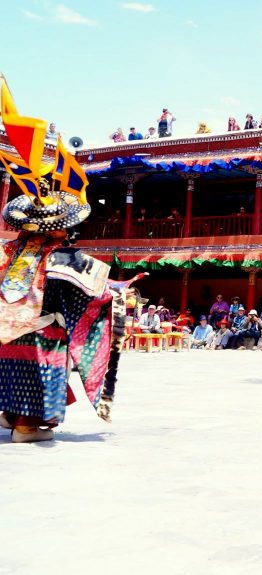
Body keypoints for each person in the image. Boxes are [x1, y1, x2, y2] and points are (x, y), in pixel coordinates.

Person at [0, 104, 139, 442]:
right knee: (37, 374)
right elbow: (95, 291)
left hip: (4, 331)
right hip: (42, 333)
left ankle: (8, 416)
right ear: (58, 229)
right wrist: (122, 290)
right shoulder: (64, 258)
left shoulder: (8, 252)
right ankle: (26, 426)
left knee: (10, 372)